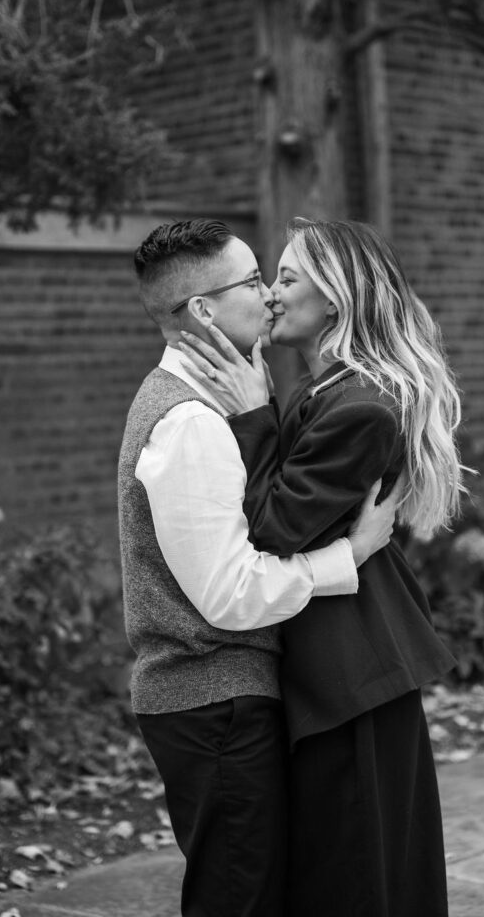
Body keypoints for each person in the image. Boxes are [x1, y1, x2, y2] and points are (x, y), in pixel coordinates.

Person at [178, 218, 465, 917]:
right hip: (336, 660)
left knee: (360, 874)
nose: (271, 295)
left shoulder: (359, 406)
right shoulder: (328, 390)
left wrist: (252, 416)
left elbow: (274, 529)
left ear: (335, 298)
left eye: (285, 277)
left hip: (352, 673)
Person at [117, 217, 401, 917]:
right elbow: (230, 595)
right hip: (214, 703)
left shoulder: (209, 405)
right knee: (238, 900)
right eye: (253, 280)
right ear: (204, 310)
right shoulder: (191, 424)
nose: (270, 297)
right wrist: (350, 555)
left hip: (218, 700)